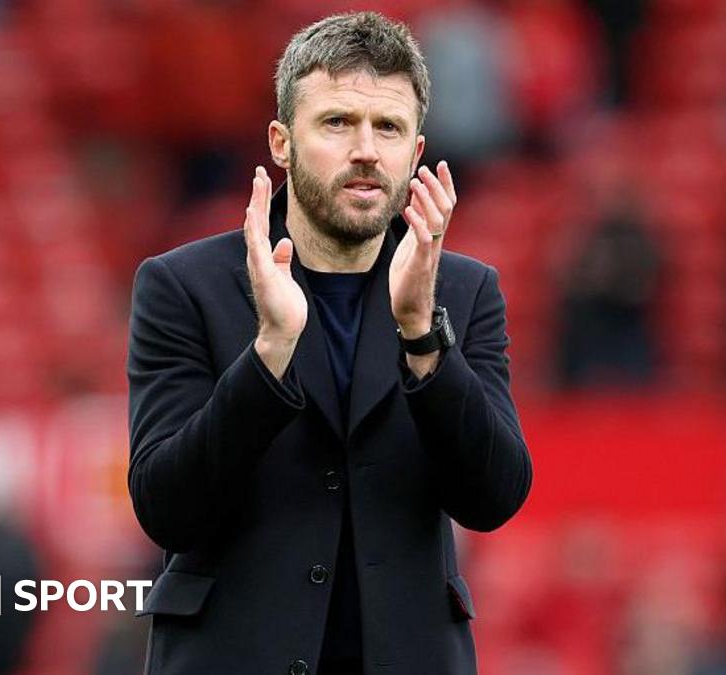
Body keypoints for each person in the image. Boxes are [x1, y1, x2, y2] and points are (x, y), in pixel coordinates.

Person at [125, 12, 532, 675]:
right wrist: (269, 354)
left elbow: (493, 498)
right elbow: (166, 509)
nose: (366, 149)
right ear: (282, 142)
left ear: (416, 152)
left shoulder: (463, 291)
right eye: (338, 122)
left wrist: (423, 336)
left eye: (387, 127)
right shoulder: (182, 285)